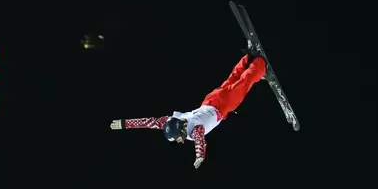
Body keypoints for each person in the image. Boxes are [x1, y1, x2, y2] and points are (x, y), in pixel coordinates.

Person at [109, 50, 266, 168]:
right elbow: (148, 122)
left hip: (221, 106)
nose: (180, 141)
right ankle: (247, 58)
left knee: (243, 84)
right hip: (210, 100)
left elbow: (199, 140)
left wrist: (200, 155)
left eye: (178, 138)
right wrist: (125, 123)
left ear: (182, 131)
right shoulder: (171, 121)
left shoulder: (193, 131)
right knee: (232, 80)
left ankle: (260, 64)